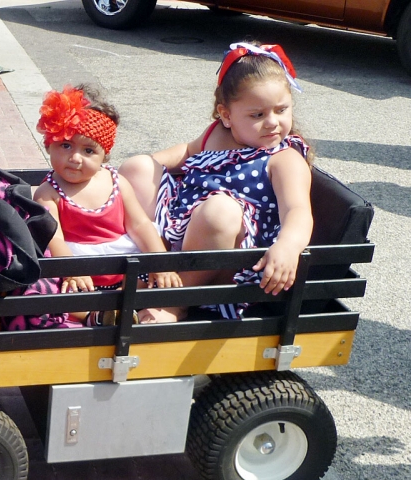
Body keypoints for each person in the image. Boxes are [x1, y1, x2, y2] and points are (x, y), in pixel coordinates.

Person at [119, 42, 314, 322]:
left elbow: (297, 211)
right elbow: (185, 152)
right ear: (226, 115)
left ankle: (175, 300)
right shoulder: (215, 134)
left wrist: (288, 246)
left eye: (281, 110)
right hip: (181, 231)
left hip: (226, 255)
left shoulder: (284, 159)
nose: (272, 122)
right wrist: (142, 167)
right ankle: (152, 264)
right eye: (257, 115)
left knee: (219, 211)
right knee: (137, 167)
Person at [33, 84, 182, 326]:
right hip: (78, 270)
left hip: (123, 268)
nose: (75, 157)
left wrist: (160, 262)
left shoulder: (117, 182)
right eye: (65, 145)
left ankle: (142, 309)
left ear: (105, 155)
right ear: (49, 144)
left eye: (88, 150)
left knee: (151, 272)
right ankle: (95, 316)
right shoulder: (48, 193)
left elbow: (141, 224)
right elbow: (55, 239)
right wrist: (72, 269)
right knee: (55, 291)